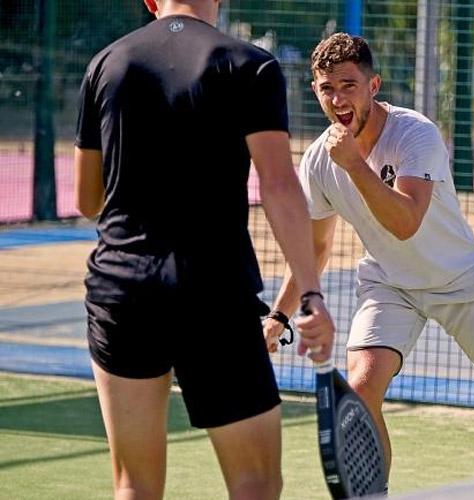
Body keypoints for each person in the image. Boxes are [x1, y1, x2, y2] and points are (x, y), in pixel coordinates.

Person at [264, 33, 474, 480]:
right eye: (326, 88)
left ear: (373, 86)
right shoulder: (318, 160)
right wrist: (279, 315)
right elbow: (314, 248)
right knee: (360, 390)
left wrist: (354, 164)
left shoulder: (415, 133)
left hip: (461, 281)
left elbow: (406, 221)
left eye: (348, 85)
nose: (337, 99)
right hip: (390, 285)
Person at [74, 1, 335, 498]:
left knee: (134, 485)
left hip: (121, 291)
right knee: (256, 482)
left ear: (150, 1)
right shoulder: (251, 64)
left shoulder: (105, 64)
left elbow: (90, 201)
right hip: (212, 294)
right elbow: (278, 185)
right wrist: (310, 292)